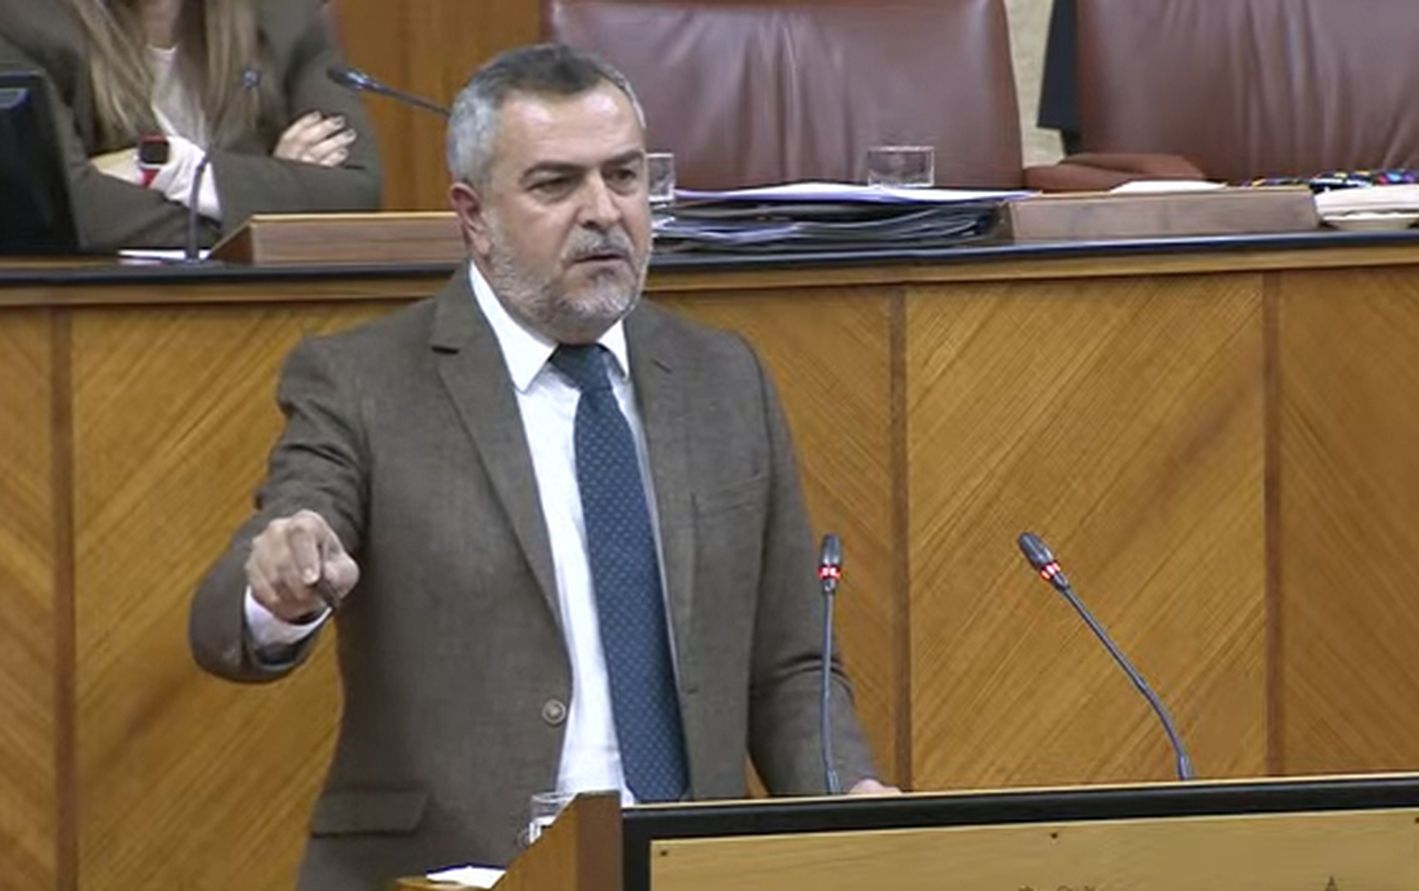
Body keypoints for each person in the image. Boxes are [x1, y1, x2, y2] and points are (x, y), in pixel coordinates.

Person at [188, 43, 886, 890]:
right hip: (451, 871)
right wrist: (278, 591)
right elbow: (235, 612)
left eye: (624, 177)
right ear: (474, 215)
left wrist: (850, 802)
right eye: (556, 185)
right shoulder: (365, 380)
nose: (603, 212)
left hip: (687, 865)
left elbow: (789, 664)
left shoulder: (722, 377)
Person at [0, 0, 380, 252]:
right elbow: (71, 214)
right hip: (95, 320)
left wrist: (174, 170)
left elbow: (354, 194)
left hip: (264, 314)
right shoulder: (20, 22)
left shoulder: (285, 15)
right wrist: (272, 197)